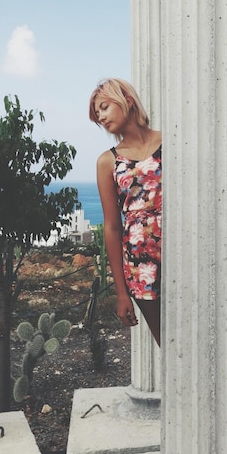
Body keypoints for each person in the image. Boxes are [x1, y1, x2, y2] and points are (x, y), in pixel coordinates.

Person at [89, 78, 162, 346]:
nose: (101, 117)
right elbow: (112, 226)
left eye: (104, 107)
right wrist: (122, 292)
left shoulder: (171, 142)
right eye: (98, 114)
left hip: (183, 251)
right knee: (169, 342)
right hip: (140, 265)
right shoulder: (107, 161)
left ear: (127, 101)